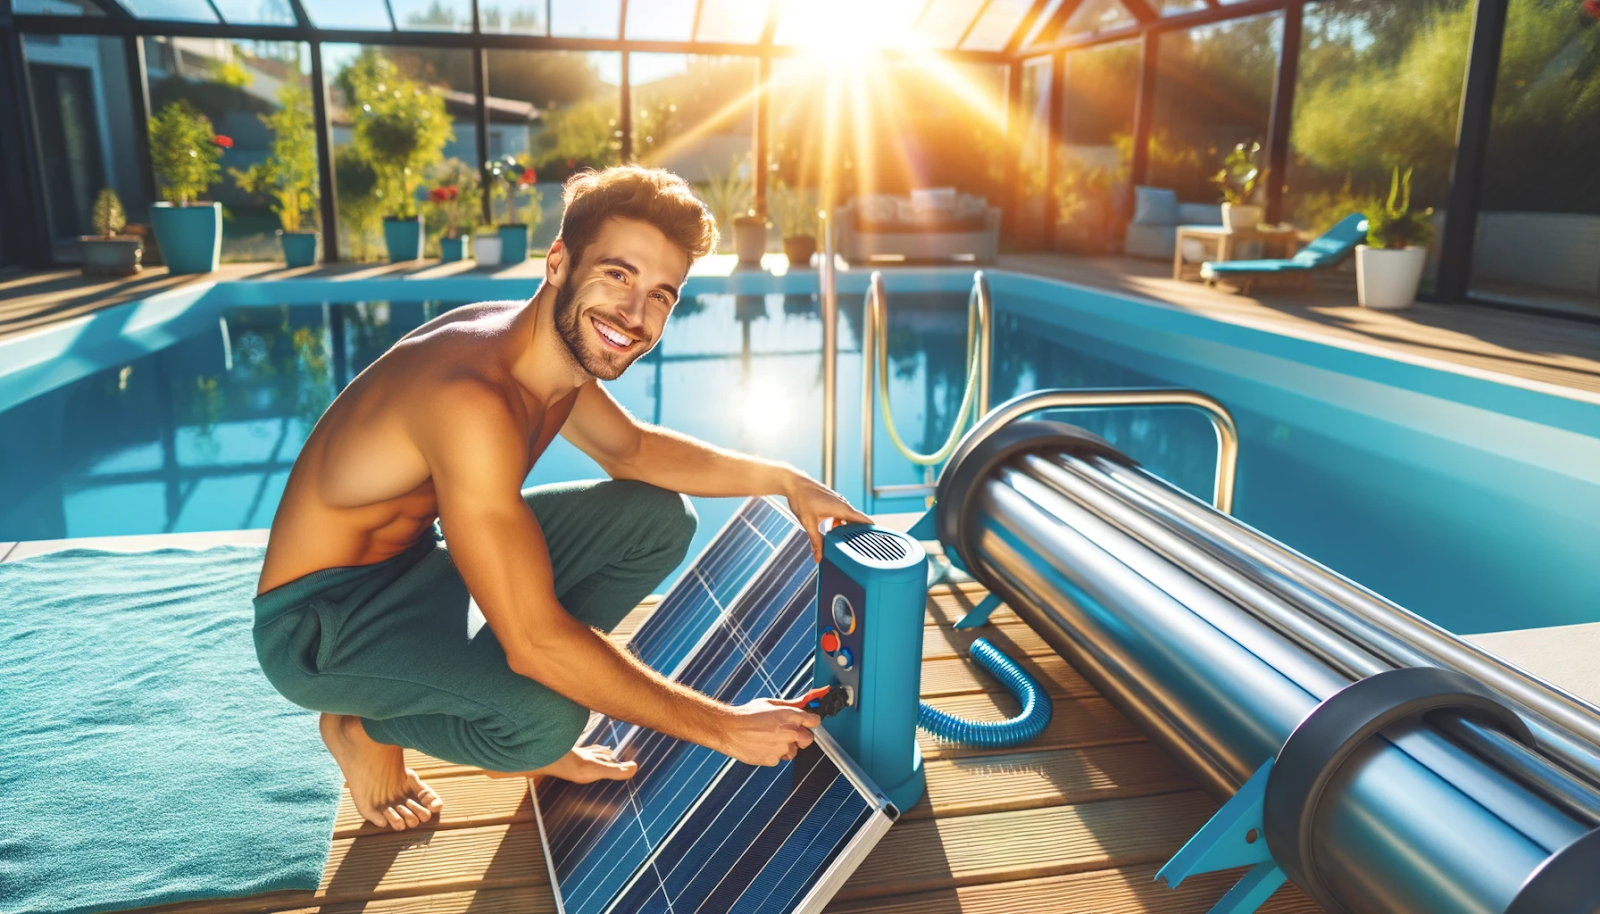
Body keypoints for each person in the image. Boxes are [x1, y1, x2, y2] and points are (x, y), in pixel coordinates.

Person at [253, 165, 872, 832]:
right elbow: (532, 642)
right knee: (544, 721)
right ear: (558, 263)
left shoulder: (546, 350)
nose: (634, 316)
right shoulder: (470, 397)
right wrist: (723, 728)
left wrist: (783, 479)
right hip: (320, 624)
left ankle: (498, 691)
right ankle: (363, 728)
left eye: (661, 294)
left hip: (416, 569)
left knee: (654, 518)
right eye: (618, 274)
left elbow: (631, 451)